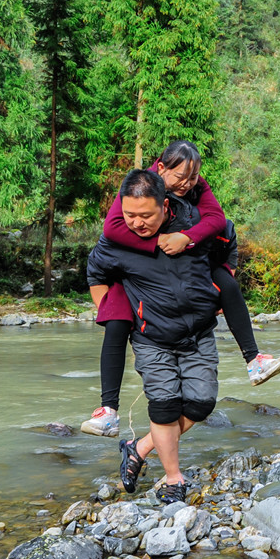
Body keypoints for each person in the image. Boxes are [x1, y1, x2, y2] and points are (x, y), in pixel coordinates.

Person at [81, 140, 280, 438]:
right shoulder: (140, 188)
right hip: (133, 275)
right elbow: (112, 232)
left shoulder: (190, 194)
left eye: (193, 178)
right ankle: (108, 410)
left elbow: (220, 224)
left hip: (187, 272)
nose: (187, 184)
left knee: (227, 284)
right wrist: (155, 245)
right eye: (180, 178)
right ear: (161, 168)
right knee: (115, 323)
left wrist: (187, 239)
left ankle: (254, 359)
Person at [86, 168, 219, 504]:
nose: (137, 223)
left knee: (201, 404)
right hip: (151, 338)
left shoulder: (190, 224)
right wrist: (116, 312)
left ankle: (140, 447)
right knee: (164, 406)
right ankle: (173, 477)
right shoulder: (117, 241)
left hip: (198, 333)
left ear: (165, 205)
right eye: (129, 215)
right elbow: (95, 274)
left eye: (146, 215)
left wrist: (218, 292)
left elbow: (223, 249)